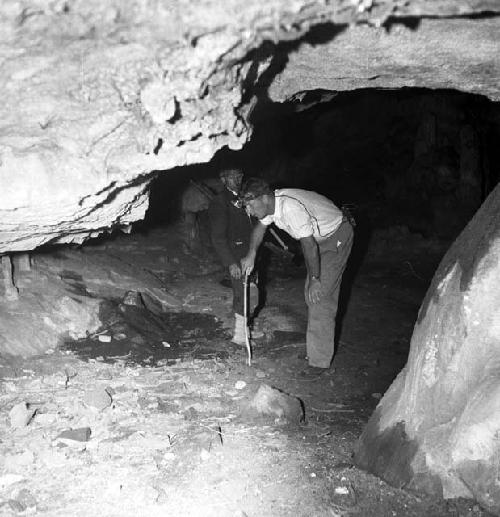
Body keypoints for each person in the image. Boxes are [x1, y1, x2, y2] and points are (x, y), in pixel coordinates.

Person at [239, 178, 353, 369]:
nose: (248, 211)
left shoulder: (291, 209)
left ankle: (319, 363)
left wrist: (316, 279)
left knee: (320, 297)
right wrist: (251, 254)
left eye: (250, 205)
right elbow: (260, 227)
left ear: (264, 198)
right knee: (311, 295)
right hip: (318, 239)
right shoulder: (271, 205)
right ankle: (316, 348)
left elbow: (308, 245)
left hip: (335, 237)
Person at [208, 168, 263, 345]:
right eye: (232, 177)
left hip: (251, 252)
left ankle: (247, 328)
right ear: (223, 180)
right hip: (237, 254)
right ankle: (240, 335)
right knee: (243, 292)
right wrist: (230, 263)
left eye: (239, 175)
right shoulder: (220, 201)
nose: (237, 179)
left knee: (252, 290)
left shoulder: (245, 195)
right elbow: (217, 237)